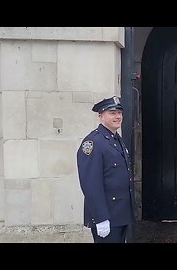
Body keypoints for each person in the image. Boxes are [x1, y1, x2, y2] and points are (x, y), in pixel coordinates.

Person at [77, 96, 135, 243]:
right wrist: (101, 218)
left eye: (119, 113)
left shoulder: (115, 139)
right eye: (112, 113)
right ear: (101, 116)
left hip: (120, 214)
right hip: (107, 215)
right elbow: (91, 184)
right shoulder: (93, 142)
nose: (118, 117)